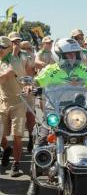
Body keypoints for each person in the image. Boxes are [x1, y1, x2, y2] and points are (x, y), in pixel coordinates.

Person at [27, 38, 87, 195]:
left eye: (74, 54)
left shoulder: (82, 69)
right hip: (56, 111)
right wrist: (30, 86)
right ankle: (34, 182)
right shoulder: (51, 70)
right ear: (59, 55)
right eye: (68, 54)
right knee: (41, 140)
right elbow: (37, 82)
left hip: (81, 111)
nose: (72, 57)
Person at [0, 34, 29, 177]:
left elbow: (13, 76)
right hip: (3, 102)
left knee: (17, 135)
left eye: (2, 47)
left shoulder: (15, 61)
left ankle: (16, 164)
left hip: (18, 102)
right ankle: (6, 149)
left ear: (8, 48)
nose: (0, 50)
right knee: (1, 136)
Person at [20, 41, 36, 152]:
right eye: (25, 48)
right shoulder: (14, 56)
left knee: (30, 114)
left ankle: (31, 138)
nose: (28, 51)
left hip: (29, 88)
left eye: (29, 48)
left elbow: (32, 69)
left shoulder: (32, 57)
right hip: (16, 88)